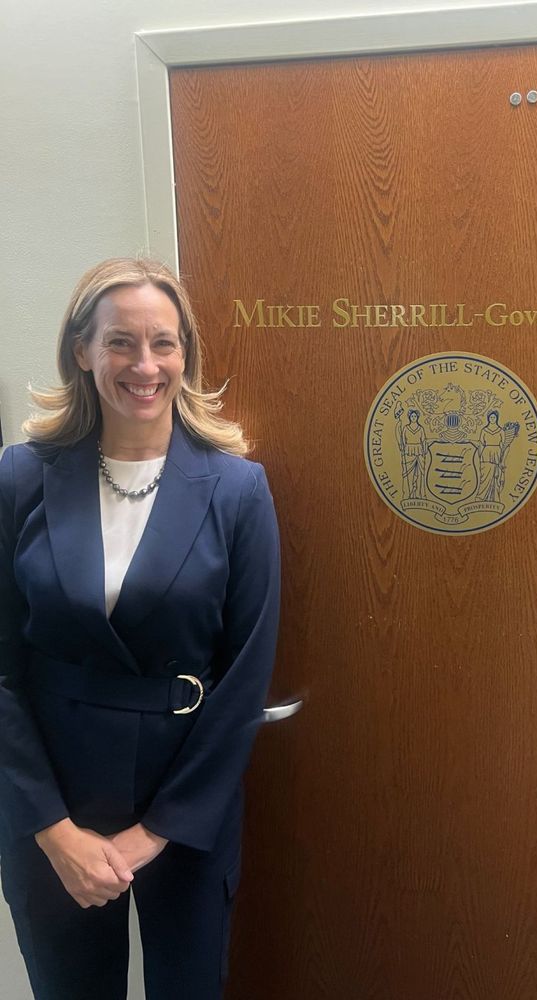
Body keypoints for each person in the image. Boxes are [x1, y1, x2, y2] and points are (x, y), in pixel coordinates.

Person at [0, 258, 280, 999]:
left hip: (186, 797)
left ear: (186, 355)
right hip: (50, 799)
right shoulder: (20, 477)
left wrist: (153, 832)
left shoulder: (237, 488)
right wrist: (53, 830)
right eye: (121, 342)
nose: (145, 365)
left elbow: (245, 674)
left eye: (165, 343)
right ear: (82, 351)